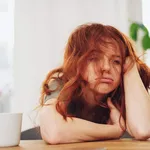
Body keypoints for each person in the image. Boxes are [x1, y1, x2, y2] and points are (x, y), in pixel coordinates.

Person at [39, 23, 150, 144]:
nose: (107, 67)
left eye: (116, 61)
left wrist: (131, 65)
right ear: (77, 62)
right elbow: (54, 132)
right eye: (94, 58)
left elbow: (143, 129)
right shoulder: (62, 83)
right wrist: (114, 130)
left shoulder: (123, 89)